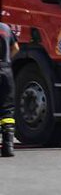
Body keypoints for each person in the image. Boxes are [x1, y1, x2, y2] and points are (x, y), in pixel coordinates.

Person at [0, 23, 20, 157]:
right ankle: (8, 147)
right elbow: (16, 48)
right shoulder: (5, 28)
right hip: (5, 71)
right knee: (7, 110)